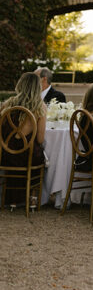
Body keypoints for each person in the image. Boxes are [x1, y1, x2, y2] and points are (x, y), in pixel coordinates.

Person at [0, 72, 47, 206]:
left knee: (19, 155)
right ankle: (32, 197)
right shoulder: (40, 107)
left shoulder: (7, 104)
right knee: (39, 153)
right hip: (28, 156)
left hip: (7, 154)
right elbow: (40, 139)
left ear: (20, 85)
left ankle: (12, 198)